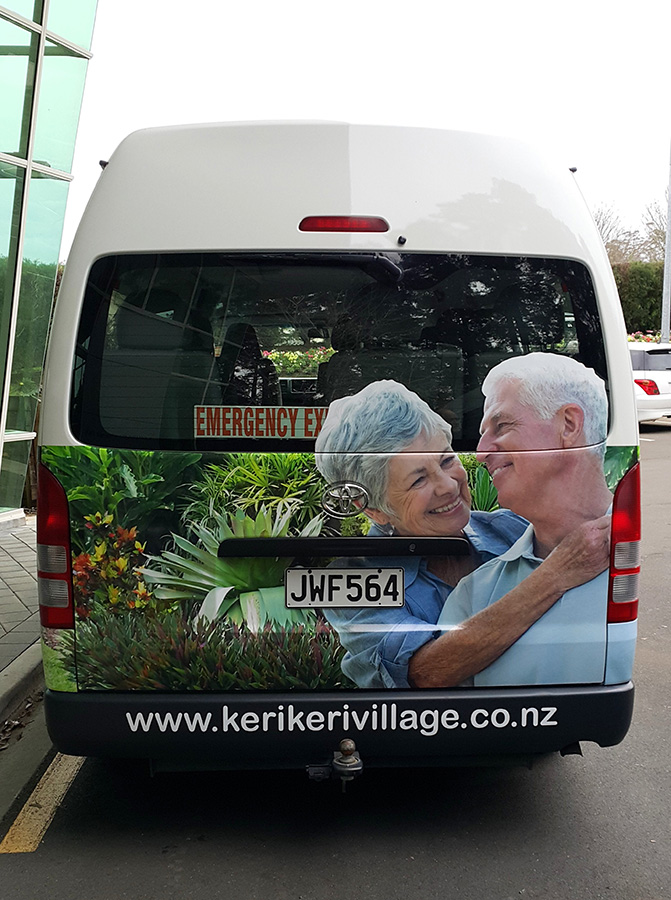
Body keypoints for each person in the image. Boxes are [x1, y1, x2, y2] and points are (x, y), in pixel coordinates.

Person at [315, 379, 609, 689]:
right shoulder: (351, 581)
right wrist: (555, 575)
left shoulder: (510, 529)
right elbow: (425, 672)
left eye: (446, 460)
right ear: (374, 509)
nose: (448, 485)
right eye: (418, 481)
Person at [436, 352, 615, 686]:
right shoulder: (475, 592)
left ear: (569, 425)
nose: (481, 452)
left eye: (502, 426)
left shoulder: (643, 559)